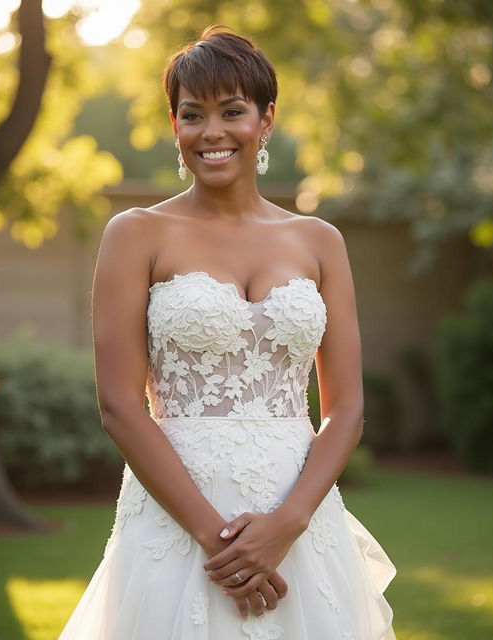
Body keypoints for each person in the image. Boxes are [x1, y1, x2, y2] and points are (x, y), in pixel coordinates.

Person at [58, 25, 397, 640]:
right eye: (194, 114)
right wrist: (226, 546)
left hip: (300, 520)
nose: (212, 132)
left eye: (232, 111)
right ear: (175, 125)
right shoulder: (135, 234)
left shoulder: (320, 241)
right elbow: (118, 406)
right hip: (177, 520)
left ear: (266, 120)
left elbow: (345, 406)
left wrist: (286, 526)